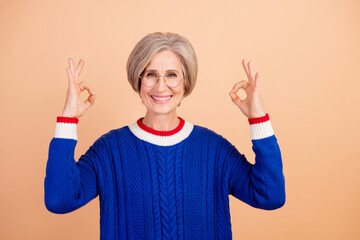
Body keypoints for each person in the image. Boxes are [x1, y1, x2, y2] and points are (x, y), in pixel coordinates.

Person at [44, 32, 285, 240]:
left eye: (171, 75)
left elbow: (270, 195)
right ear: (138, 81)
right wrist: (68, 118)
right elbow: (60, 200)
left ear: (185, 83)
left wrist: (257, 117)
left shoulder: (214, 150)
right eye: (150, 75)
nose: (161, 87)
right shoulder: (109, 151)